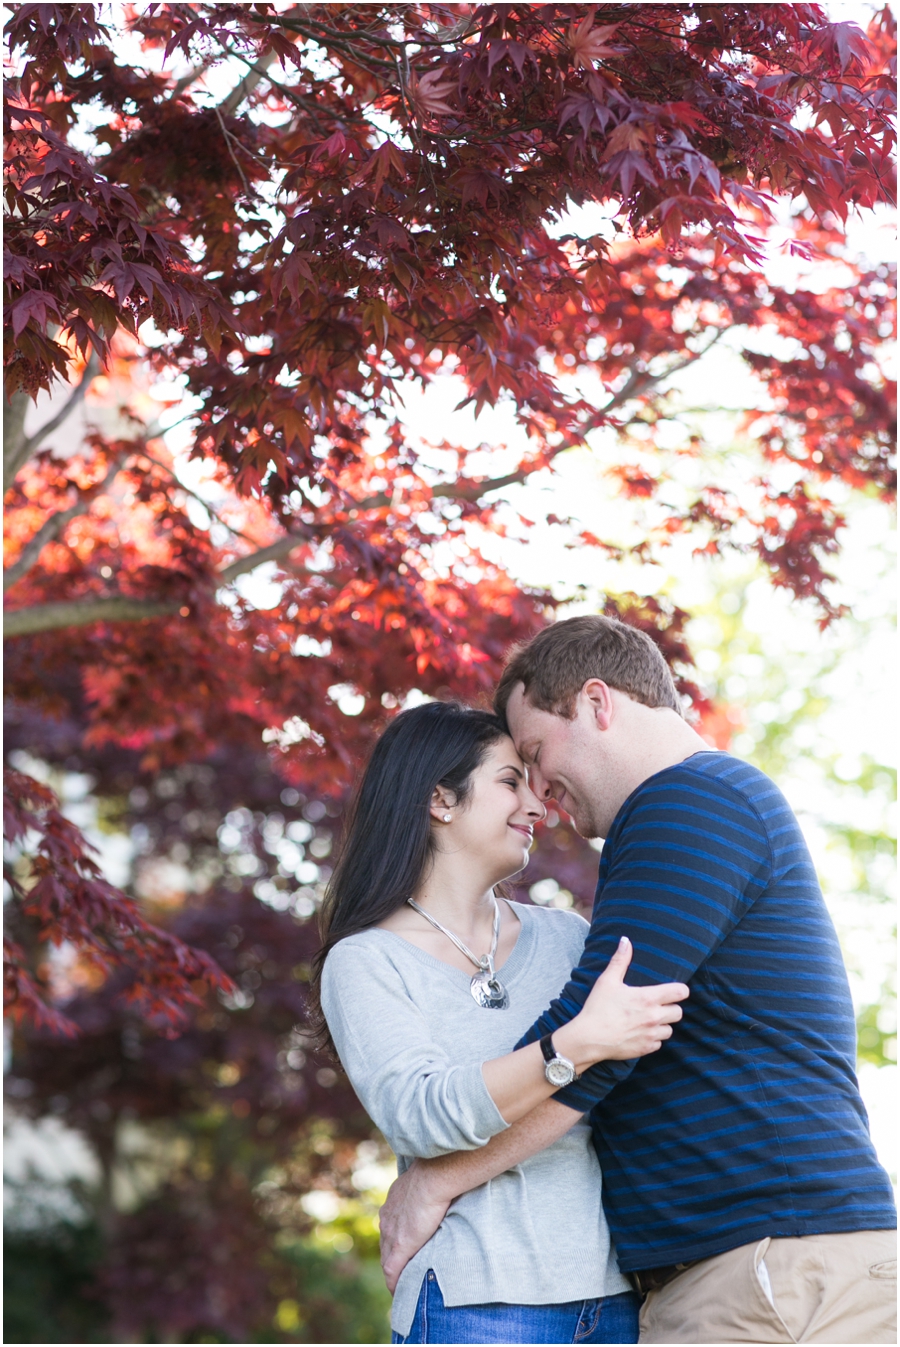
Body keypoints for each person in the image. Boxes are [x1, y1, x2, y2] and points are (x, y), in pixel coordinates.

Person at [379, 615, 897, 1345]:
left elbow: (593, 1044)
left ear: (597, 702)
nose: (536, 787)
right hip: (762, 1269)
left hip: (770, 1271)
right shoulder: (695, 808)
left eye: (533, 750)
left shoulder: (685, 803)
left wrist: (435, 1179)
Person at [310, 700, 689, 1344]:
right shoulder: (366, 962)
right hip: (476, 1304)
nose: (538, 805)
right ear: (441, 800)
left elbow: (630, 1076)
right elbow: (424, 1116)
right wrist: (570, 1047)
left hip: (619, 1300)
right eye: (510, 782)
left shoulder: (570, 938)